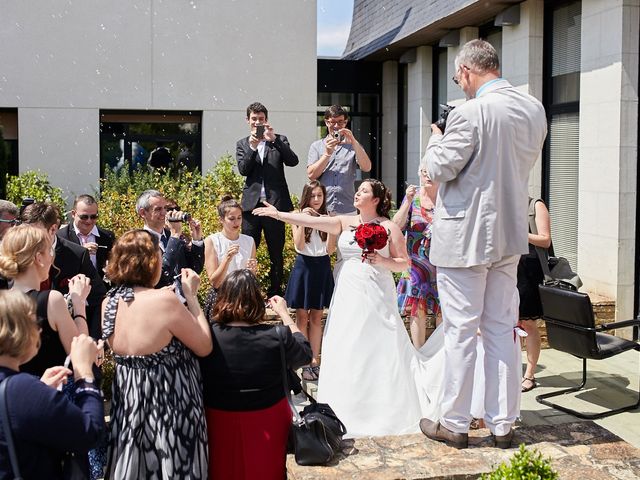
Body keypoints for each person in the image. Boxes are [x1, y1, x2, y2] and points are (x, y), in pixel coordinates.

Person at [419, 39, 547, 449]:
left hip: (465, 237)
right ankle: (503, 424)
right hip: (509, 235)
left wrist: (436, 137)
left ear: (470, 71)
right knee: (499, 329)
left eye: (459, 77)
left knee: (460, 329)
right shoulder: (534, 110)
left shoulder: (469, 113)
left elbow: (437, 167)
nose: (460, 84)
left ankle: (455, 424)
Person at [254, 179, 447, 437]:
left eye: (364, 191)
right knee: (347, 343)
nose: (357, 193)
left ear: (376, 199)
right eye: (358, 190)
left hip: (377, 293)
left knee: (378, 346)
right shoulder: (344, 222)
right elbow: (310, 222)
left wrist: (382, 259)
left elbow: (405, 264)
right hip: (348, 293)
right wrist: (278, 214)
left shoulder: (389, 227)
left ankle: (382, 407)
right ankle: (345, 408)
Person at [102, 229, 212, 479]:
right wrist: (192, 298)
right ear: (151, 262)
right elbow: (204, 346)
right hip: (170, 408)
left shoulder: (108, 303)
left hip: (128, 409)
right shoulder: (163, 301)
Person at [199, 269, 311, 480]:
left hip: (218, 417)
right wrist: (285, 315)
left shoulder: (208, 336)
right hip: (268, 417)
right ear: (256, 300)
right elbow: (305, 354)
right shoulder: (276, 335)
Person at [0, 289, 105, 479]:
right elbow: (89, 432)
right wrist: (84, 372)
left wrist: (39, 390)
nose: (39, 330)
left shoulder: (19, 389)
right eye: (35, 323)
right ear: (18, 332)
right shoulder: (21, 390)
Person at [0, 224, 91, 376]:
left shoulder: (4, 301)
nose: (52, 257)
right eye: (50, 250)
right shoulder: (51, 300)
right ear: (39, 258)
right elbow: (80, 355)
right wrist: (79, 302)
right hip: (49, 394)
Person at [236, 101, 299, 297]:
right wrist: (253, 147)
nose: (257, 122)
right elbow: (243, 170)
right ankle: (248, 292)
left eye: (261, 119)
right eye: (254, 119)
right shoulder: (243, 143)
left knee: (275, 252)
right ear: (248, 120)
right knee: (248, 250)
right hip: (251, 207)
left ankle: (275, 292)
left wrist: (275, 141)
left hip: (274, 205)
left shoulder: (279, 140)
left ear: (266, 120)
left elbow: (293, 161)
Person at [21, 201, 107, 339]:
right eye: (26, 232)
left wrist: (95, 340)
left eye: (36, 233)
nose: (30, 239)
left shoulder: (76, 255)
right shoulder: (17, 252)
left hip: (65, 338)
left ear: (53, 229)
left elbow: (98, 298)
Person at [284, 180, 334, 381]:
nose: (316, 200)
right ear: (306, 197)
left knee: (316, 317)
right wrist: (303, 220)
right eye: (312, 196)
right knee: (302, 317)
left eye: (319, 196)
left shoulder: (328, 218)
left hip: (321, 266)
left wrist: (327, 224)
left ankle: (315, 361)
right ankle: (303, 362)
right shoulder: (298, 216)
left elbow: (330, 250)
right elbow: (299, 245)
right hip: (304, 265)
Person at [392, 164, 440, 348]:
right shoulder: (413, 198)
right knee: (417, 309)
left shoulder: (447, 197)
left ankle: (438, 357)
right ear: (419, 174)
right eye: (424, 172)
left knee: (442, 309)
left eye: (432, 172)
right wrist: (407, 201)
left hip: (442, 263)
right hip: (416, 264)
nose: (428, 176)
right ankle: (419, 353)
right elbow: (396, 226)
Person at [136, 189, 204, 297]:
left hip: (183, 303)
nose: (164, 213)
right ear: (143, 213)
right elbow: (159, 276)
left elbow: (195, 268)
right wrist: (175, 236)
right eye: (158, 209)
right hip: (159, 304)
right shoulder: (139, 241)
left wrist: (197, 240)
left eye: (165, 208)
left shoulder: (172, 236)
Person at [307, 104, 372, 216]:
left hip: (347, 207)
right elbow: (311, 175)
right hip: (323, 208)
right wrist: (327, 154)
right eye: (333, 122)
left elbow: (367, 167)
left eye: (340, 122)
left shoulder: (353, 146)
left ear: (345, 122)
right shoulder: (316, 146)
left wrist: (354, 141)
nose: (336, 126)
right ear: (327, 122)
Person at [518, 197, 552, 393]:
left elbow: (545, 239)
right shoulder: (504, 205)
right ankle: (513, 371)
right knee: (510, 324)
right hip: (507, 272)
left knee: (528, 325)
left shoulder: (535, 205)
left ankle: (529, 374)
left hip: (530, 272)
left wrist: (521, 234)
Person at [203, 196, 257, 319]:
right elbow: (214, 282)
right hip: (222, 297)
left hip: (244, 297)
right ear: (221, 220)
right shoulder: (212, 241)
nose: (236, 222)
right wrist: (227, 259)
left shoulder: (249, 241)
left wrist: (253, 271)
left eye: (239, 218)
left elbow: (251, 279)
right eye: (231, 218)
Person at [57, 194, 115, 280]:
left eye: (93, 217)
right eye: (84, 217)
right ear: (73, 214)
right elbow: (56, 268)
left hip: (101, 290)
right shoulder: (61, 236)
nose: (89, 221)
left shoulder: (107, 236)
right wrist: (80, 252)